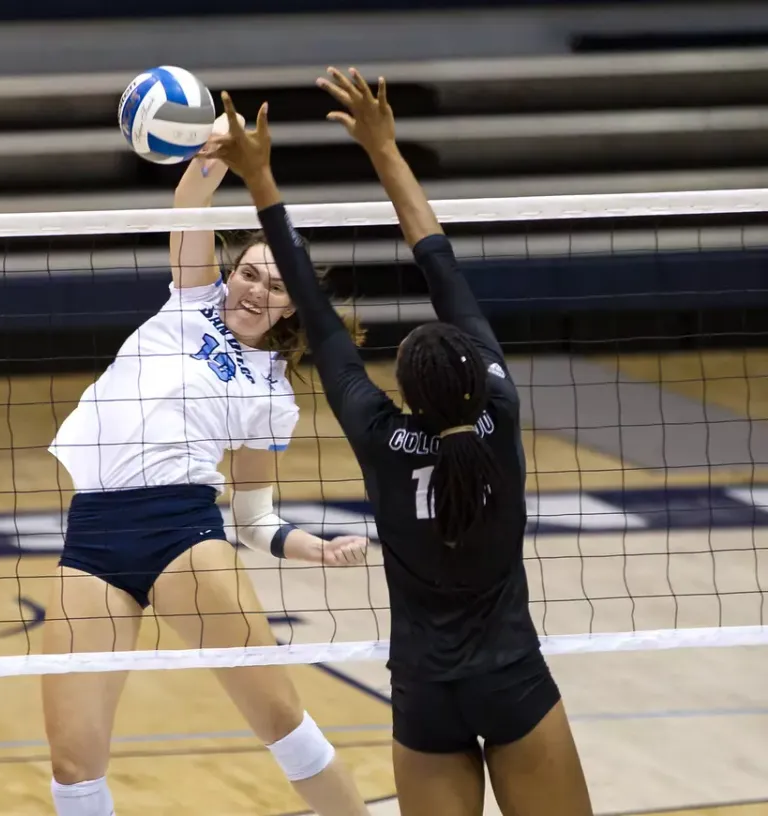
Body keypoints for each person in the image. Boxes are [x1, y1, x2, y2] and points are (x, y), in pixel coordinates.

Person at [201, 75, 594, 816]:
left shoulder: (382, 437)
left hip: (422, 695)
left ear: (405, 390)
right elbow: (439, 259)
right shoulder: (500, 410)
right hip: (512, 678)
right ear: (478, 374)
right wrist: (385, 147)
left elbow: (314, 315)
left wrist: (261, 177)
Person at [42, 114, 372, 816]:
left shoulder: (272, 394)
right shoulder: (189, 302)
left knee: (280, 719)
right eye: (249, 272)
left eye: (276, 285)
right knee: (73, 760)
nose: (255, 290)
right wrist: (214, 147)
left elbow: (253, 518)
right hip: (92, 533)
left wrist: (306, 546)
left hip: (181, 534)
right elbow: (190, 201)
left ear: (292, 305)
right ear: (228, 273)